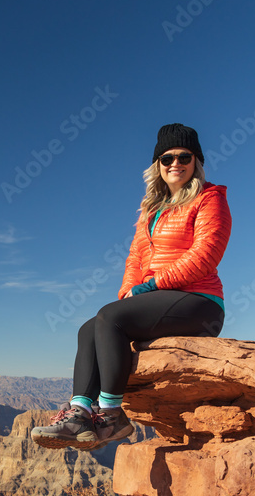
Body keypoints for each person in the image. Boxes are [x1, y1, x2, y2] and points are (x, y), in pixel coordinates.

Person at [32, 123, 231, 451]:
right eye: (167, 159)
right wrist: (128, 292)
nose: (175, 164)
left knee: (109, 319)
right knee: (90, 328)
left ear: (197, 161)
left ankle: (111, 416)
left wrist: (153, 285)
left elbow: (205, 256)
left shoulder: (210, 199)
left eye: (184, 156)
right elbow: (135, 257)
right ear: (158, 165)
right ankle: (80, 413)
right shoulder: (151, 210)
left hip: (200, 301)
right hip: (160, 296)